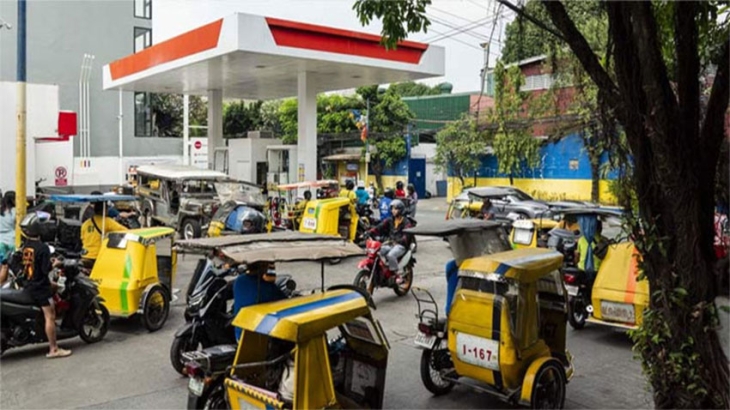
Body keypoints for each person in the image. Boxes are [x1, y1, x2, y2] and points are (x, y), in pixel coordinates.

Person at [18, 213, 72, 358]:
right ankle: (53, 349)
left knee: (54, 287)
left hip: (29, 285)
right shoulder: (43, 248)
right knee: (50, 316)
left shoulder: (26, 246)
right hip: (40, 288)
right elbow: (45, 270)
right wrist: (55, 264)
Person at [233, 261, 287, 341]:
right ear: (262, 266)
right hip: (258, 339)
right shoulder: (267, 287)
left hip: (239, 335)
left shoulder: (239, 281)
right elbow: (285, 303)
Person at [368, 199, 413, 283]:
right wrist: (369, 232)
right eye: (392, 209)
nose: (393, 211)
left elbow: (407, 235)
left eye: (395, 209)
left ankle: (396, 274)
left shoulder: (406, 222)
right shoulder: (390, 220)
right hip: (391, 244)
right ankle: (382, 271)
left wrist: (399, 241)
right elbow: (379, 227)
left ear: (400, 210)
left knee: (391, 255)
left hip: (401, 245)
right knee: (378, 251)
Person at [80, 200, 128, 268]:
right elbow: (125, 231)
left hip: (85, 255)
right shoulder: (107, 221)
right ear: (105, 210)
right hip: (97, 256)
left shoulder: (85, 224)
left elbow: (82, 238)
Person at [0, 191, 17, 259]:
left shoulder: (1, 210)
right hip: (12, 239)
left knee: (2, 262)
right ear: (12, 200)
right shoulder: (14, 211)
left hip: (1, 239)